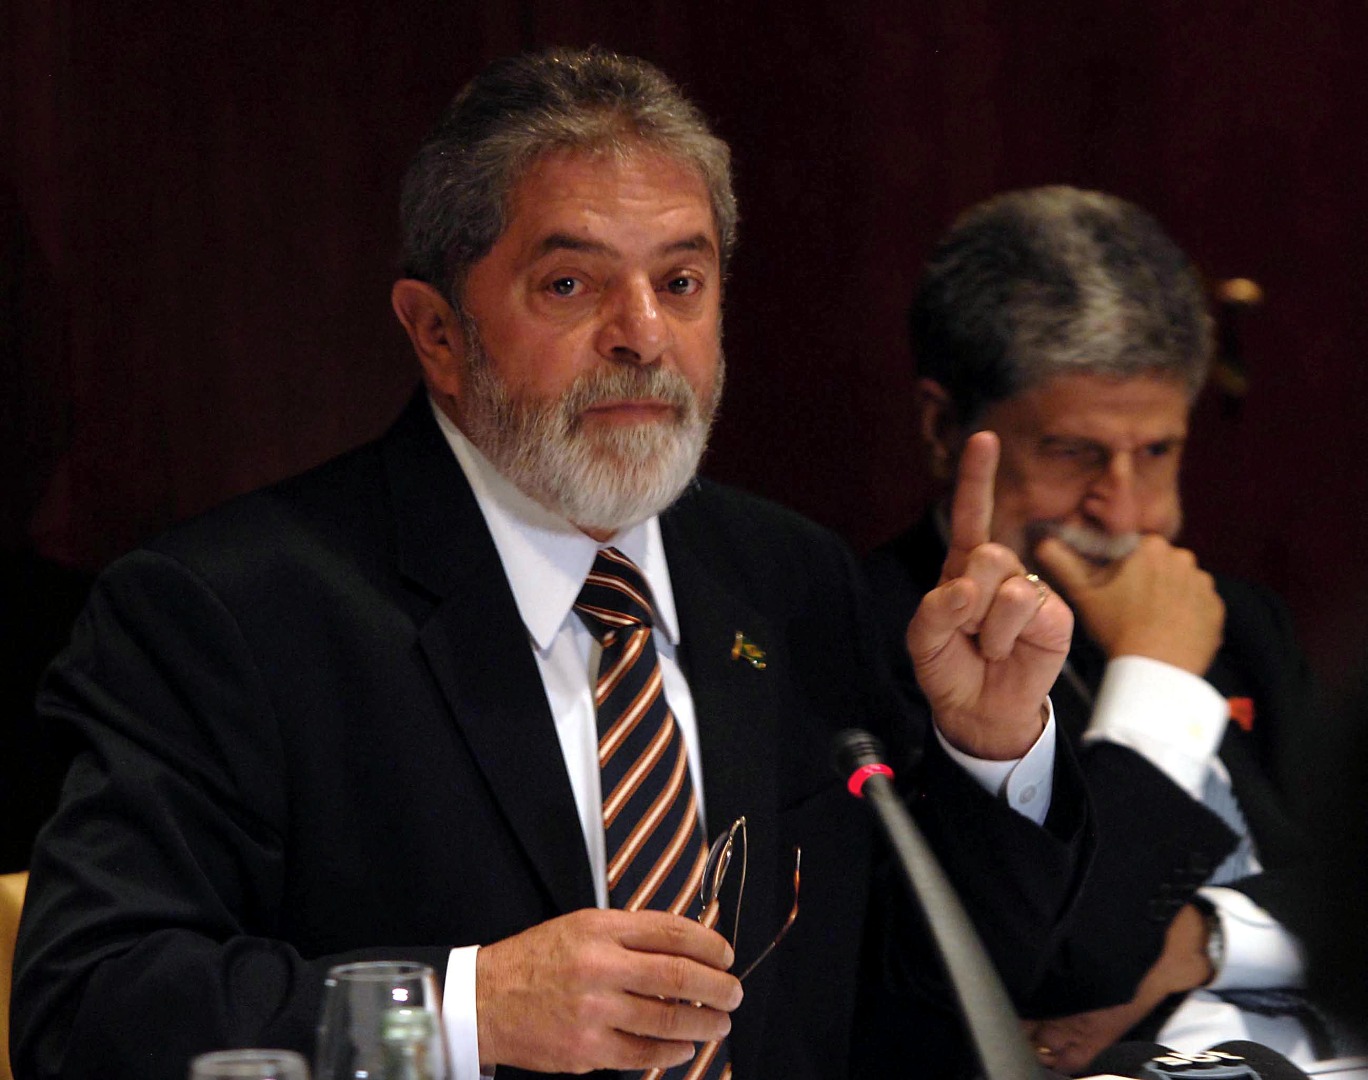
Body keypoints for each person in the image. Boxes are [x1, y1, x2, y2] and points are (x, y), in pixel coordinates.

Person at [13, 50, 1085, 1080]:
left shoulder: (791, 581)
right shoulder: (229, 613)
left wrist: (993, 750)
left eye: (682, 281)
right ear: (436, 331)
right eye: (570, 283)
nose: (644, 335)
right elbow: (88, 1006)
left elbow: (929, 1006)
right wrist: (473, 1008)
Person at [865, 186, 1327, 1073]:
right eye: (1074, 453)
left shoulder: (1241, 624)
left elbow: (1349, 886)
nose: (1125, 511)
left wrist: (1203, 939)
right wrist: (1157, 676)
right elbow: (1058, 968)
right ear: (944, 428)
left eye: (1156, 452)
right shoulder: (872, 636)